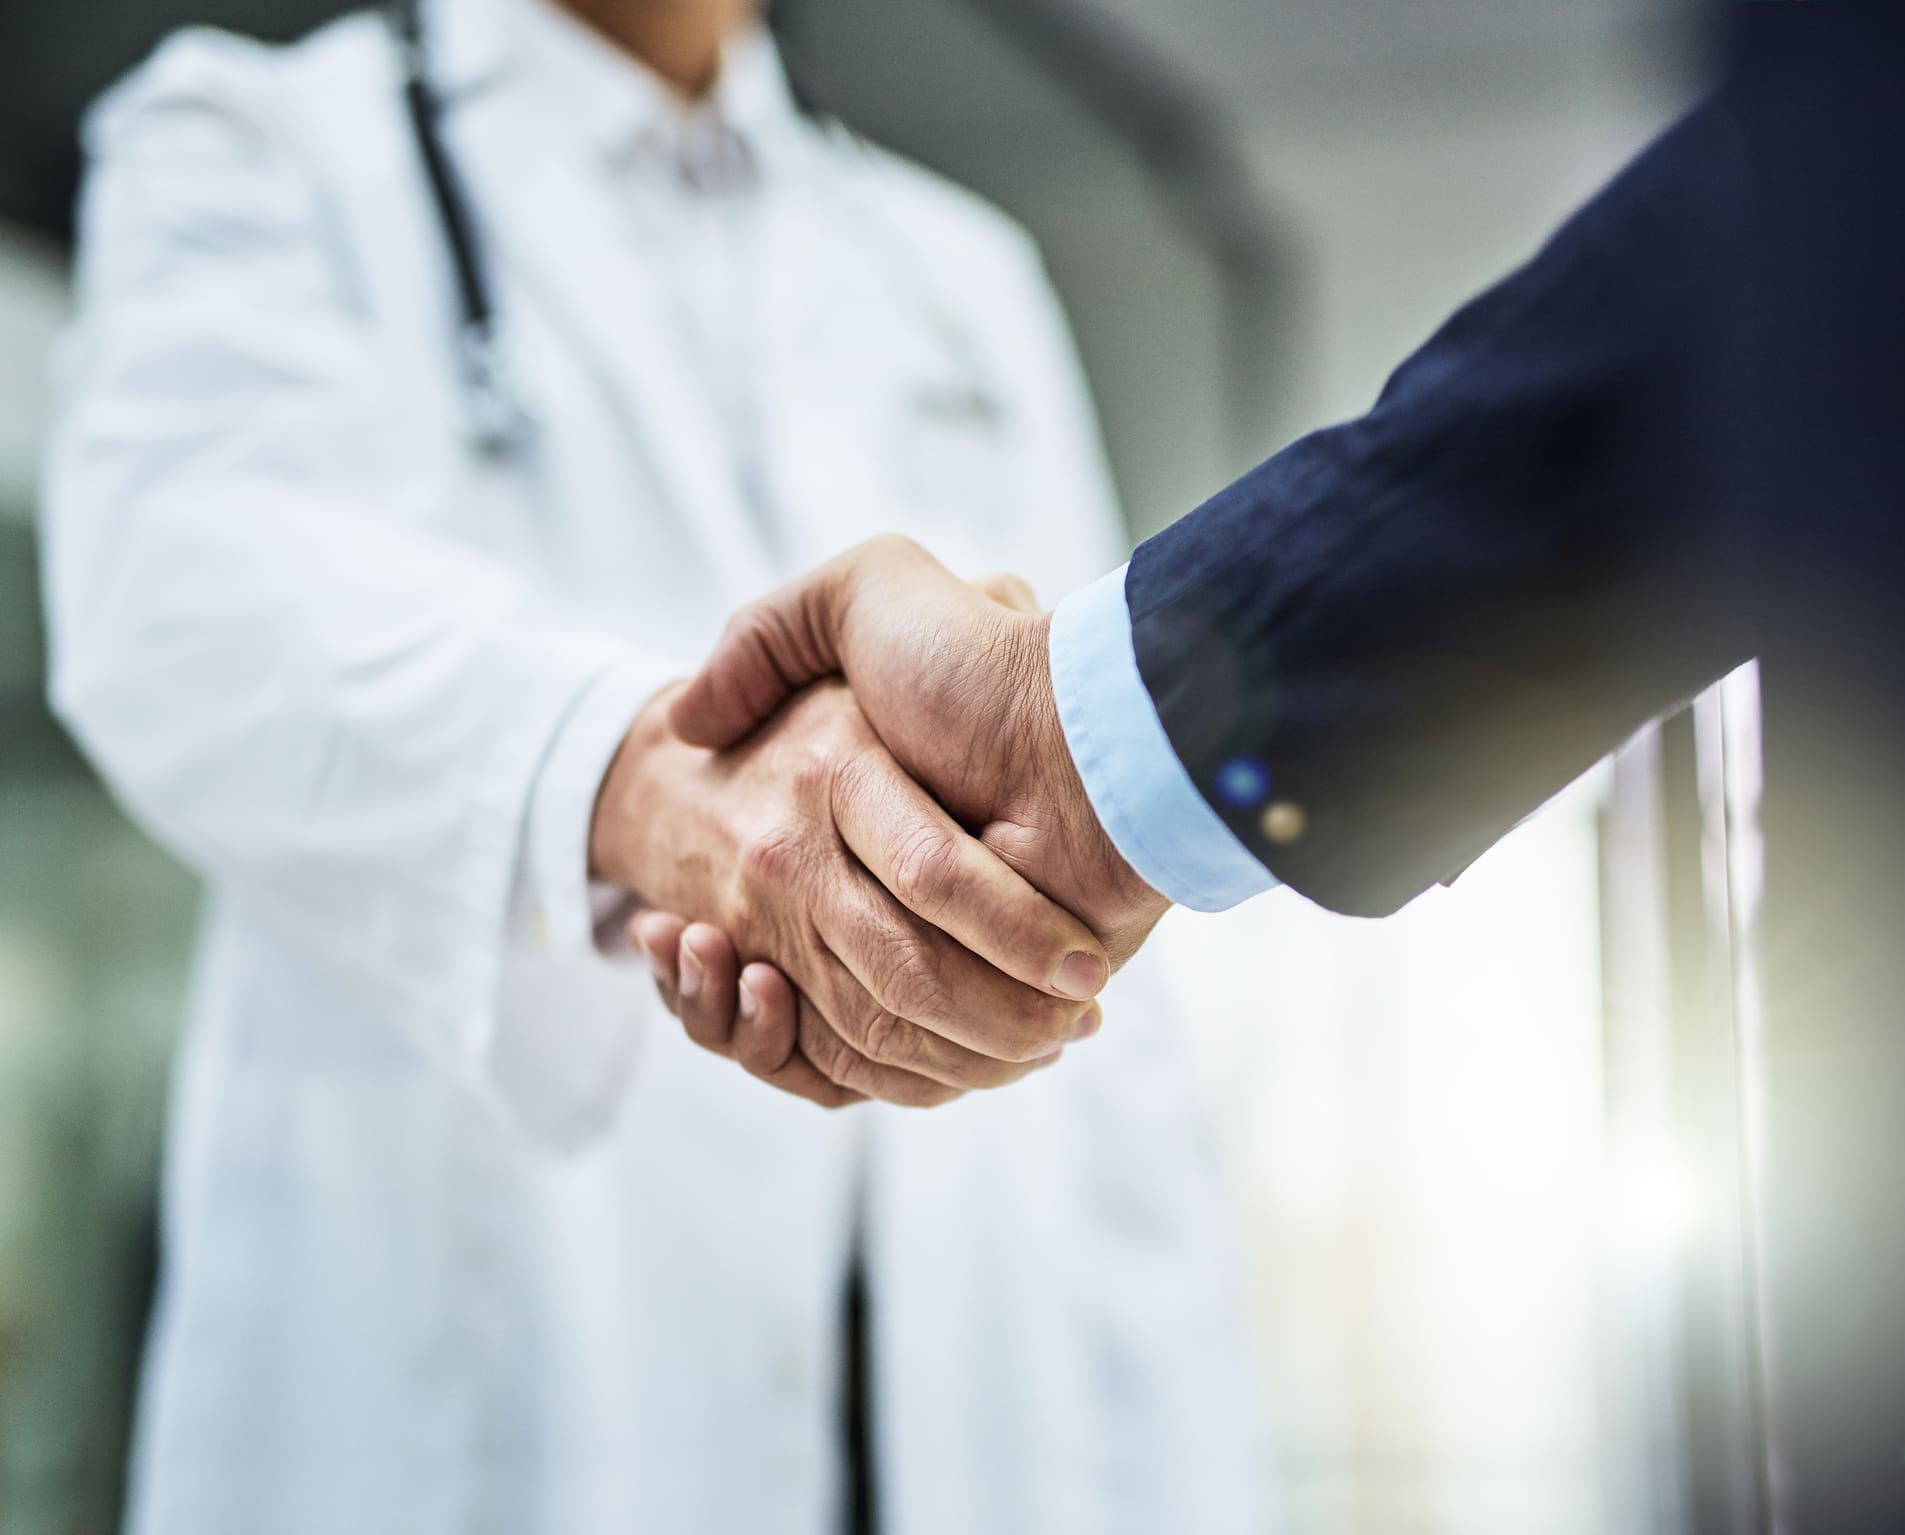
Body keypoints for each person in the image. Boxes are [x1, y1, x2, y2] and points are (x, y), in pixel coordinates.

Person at [657, 4, 1905, 1531]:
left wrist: (1082, 747)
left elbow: (1826, 224)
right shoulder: (299, 158)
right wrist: (1074, 752)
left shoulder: (957, 275)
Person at [39, 0, 1266, 1530]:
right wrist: (664, 791)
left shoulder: (958, 277)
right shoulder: (254, 147)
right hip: (465, 1415)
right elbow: (183, 598)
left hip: (956, 1421)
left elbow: (1110, 1000)